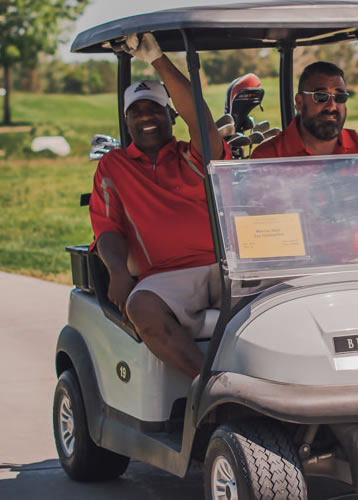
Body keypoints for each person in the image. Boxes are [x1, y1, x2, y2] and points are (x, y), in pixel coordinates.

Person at [88, 33, 229, 379]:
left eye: (155, 107)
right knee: (142, 306)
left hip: (227, 265)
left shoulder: (194, 155)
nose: (145, 116)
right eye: (135, 111)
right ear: (126, 121)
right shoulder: (113, 167)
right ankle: (212, 388)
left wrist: (159, 60)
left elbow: (201, 119)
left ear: (172, 114)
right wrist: (119, 272)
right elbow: (108, 228)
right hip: (169, 276)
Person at [251, 61, 358, 262]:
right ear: (300, 102)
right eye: (321, 96)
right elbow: (257, 232)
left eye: (339, 97)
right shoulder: (270, 157)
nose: (332, 106)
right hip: (299, 264)